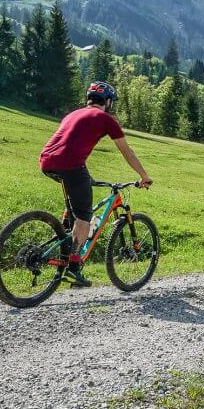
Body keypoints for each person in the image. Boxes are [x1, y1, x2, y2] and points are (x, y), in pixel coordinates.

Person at [39, 81, 153, 288]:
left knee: (78, 192)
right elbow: (127, 152)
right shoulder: (106, 119)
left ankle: (66, 230)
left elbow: (69, 143)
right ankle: (73, 267)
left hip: (47, 161)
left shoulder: (73, 114)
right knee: (85, 216)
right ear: (108, 102)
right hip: (70, 164)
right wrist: (144, 175)